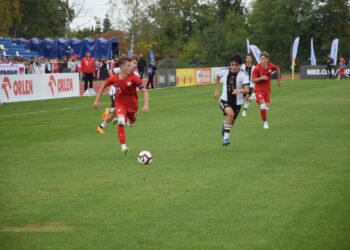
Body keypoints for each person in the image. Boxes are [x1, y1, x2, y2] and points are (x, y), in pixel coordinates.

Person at [93, 55, 149, 155]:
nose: (131, 67)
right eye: (128, 65)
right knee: (121, 121)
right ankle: (123, 146)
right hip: (120, 103)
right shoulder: (114, 78)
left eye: (131, 65)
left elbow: (144, 91)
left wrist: (146, 105)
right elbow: (103, 86)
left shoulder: (134, 78)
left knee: (131, 123)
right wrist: (97, 100)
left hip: (133, 106)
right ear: (122, 67)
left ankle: (125, 120)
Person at [96, 55, 141, 134]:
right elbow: (110, 71)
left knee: (116, 113)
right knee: (116, 111)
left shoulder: (135, 74)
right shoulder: (122, 69)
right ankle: (108, 114)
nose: (134, 65)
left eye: (135, 63)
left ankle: (101, 126)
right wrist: (115, 82)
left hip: (125, 97)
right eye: (133, 62)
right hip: (115, 92)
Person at [214, 54, 250, 146]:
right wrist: (216, 90)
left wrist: (239, 90)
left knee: (231, 122)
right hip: (224, 100)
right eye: (232, 64)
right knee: (230, 114)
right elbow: (217, 76)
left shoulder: (244, 74)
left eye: (236, 65)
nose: (234, 67)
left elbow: (247, 89)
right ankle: (226, 139)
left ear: (240, 65)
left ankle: (225, 125)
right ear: (230, 64)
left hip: (237, 103)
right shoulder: (224, 71)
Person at [252, 51, 281, 129]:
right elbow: (253, 80)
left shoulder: (271, 66)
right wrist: (261, 78)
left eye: (265, 59)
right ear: (260, 59)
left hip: (267, 89)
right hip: (258, 89)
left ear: (267, 59)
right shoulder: (257, 68)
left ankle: (256, 98)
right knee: (263, 105)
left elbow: (278, 69)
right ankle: (265, 122)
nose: (263, 60)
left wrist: (278, 80)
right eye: (262, 59)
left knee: (266, 105)